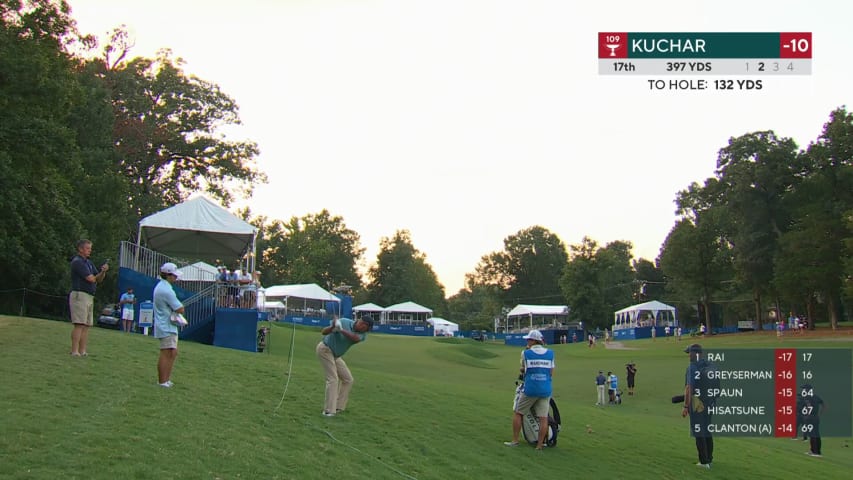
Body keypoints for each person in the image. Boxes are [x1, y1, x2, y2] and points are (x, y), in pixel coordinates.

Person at [505, 330, 555, 450]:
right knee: (543, 418)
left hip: (531, 388)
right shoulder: (550, 353)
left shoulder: (525, 353)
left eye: (529, 339)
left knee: (518, 413)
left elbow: (523, 369)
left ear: (533, 341)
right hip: (546, 388)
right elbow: (551, 372)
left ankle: (515, 440)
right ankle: (539, 446)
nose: (527, 341)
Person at [316, 315, 374, 416]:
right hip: (325, 350)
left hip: (336, 356)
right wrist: (332, 327)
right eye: (362, 324)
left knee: (348, 379)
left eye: (366, 328)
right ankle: (328, 410)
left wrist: (341, 330)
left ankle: (338, 406)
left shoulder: (362, 335)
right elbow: (323, 332)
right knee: (333, 379)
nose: (363, 328)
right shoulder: (343, 321)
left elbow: (354, 338)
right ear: (358, 320)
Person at [69, 239, 109, 356]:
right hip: (80, 295)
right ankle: (74, 350)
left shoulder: (89, 263)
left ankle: (82, 350)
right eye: (87, 248)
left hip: (89, 296)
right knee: (79, 323)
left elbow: (98, 279)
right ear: (80, 249)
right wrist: (96, 277)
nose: (89, 251)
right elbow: (91, 279)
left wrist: (103, 272)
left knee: (86, 325)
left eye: (90, 249)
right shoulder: (78, 262)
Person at [153, 262, 185, 388]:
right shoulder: (166, 290)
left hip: (167, 324)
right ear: (168, 275)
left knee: (172, 352)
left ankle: (166, 379)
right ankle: (162, 381)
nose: (176, 278)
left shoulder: (163, 287)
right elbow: (180, 308)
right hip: (166, 324)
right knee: (167, 352)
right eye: (174, 276)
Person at [682, 343, 714, 468]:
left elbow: (689, 387)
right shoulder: (709, 365)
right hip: (710, 402)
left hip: (697, 404)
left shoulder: (692, 367)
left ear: (695, 353)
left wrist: (685, 406)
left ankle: (704, 461)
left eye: (689, 353)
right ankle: (709, 458)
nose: (688, 355)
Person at [800, 384, 825, 457]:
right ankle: (818, 451)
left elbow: (808, 406)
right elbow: (823, 405)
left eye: (804, 389)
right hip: (816, 418)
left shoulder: (806, 397)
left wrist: (806, 415)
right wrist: (820, 414)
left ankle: (815, 452)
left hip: (810, 418)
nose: (803, 390)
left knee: (812, 434)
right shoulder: (816, 397)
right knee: (817, 434)